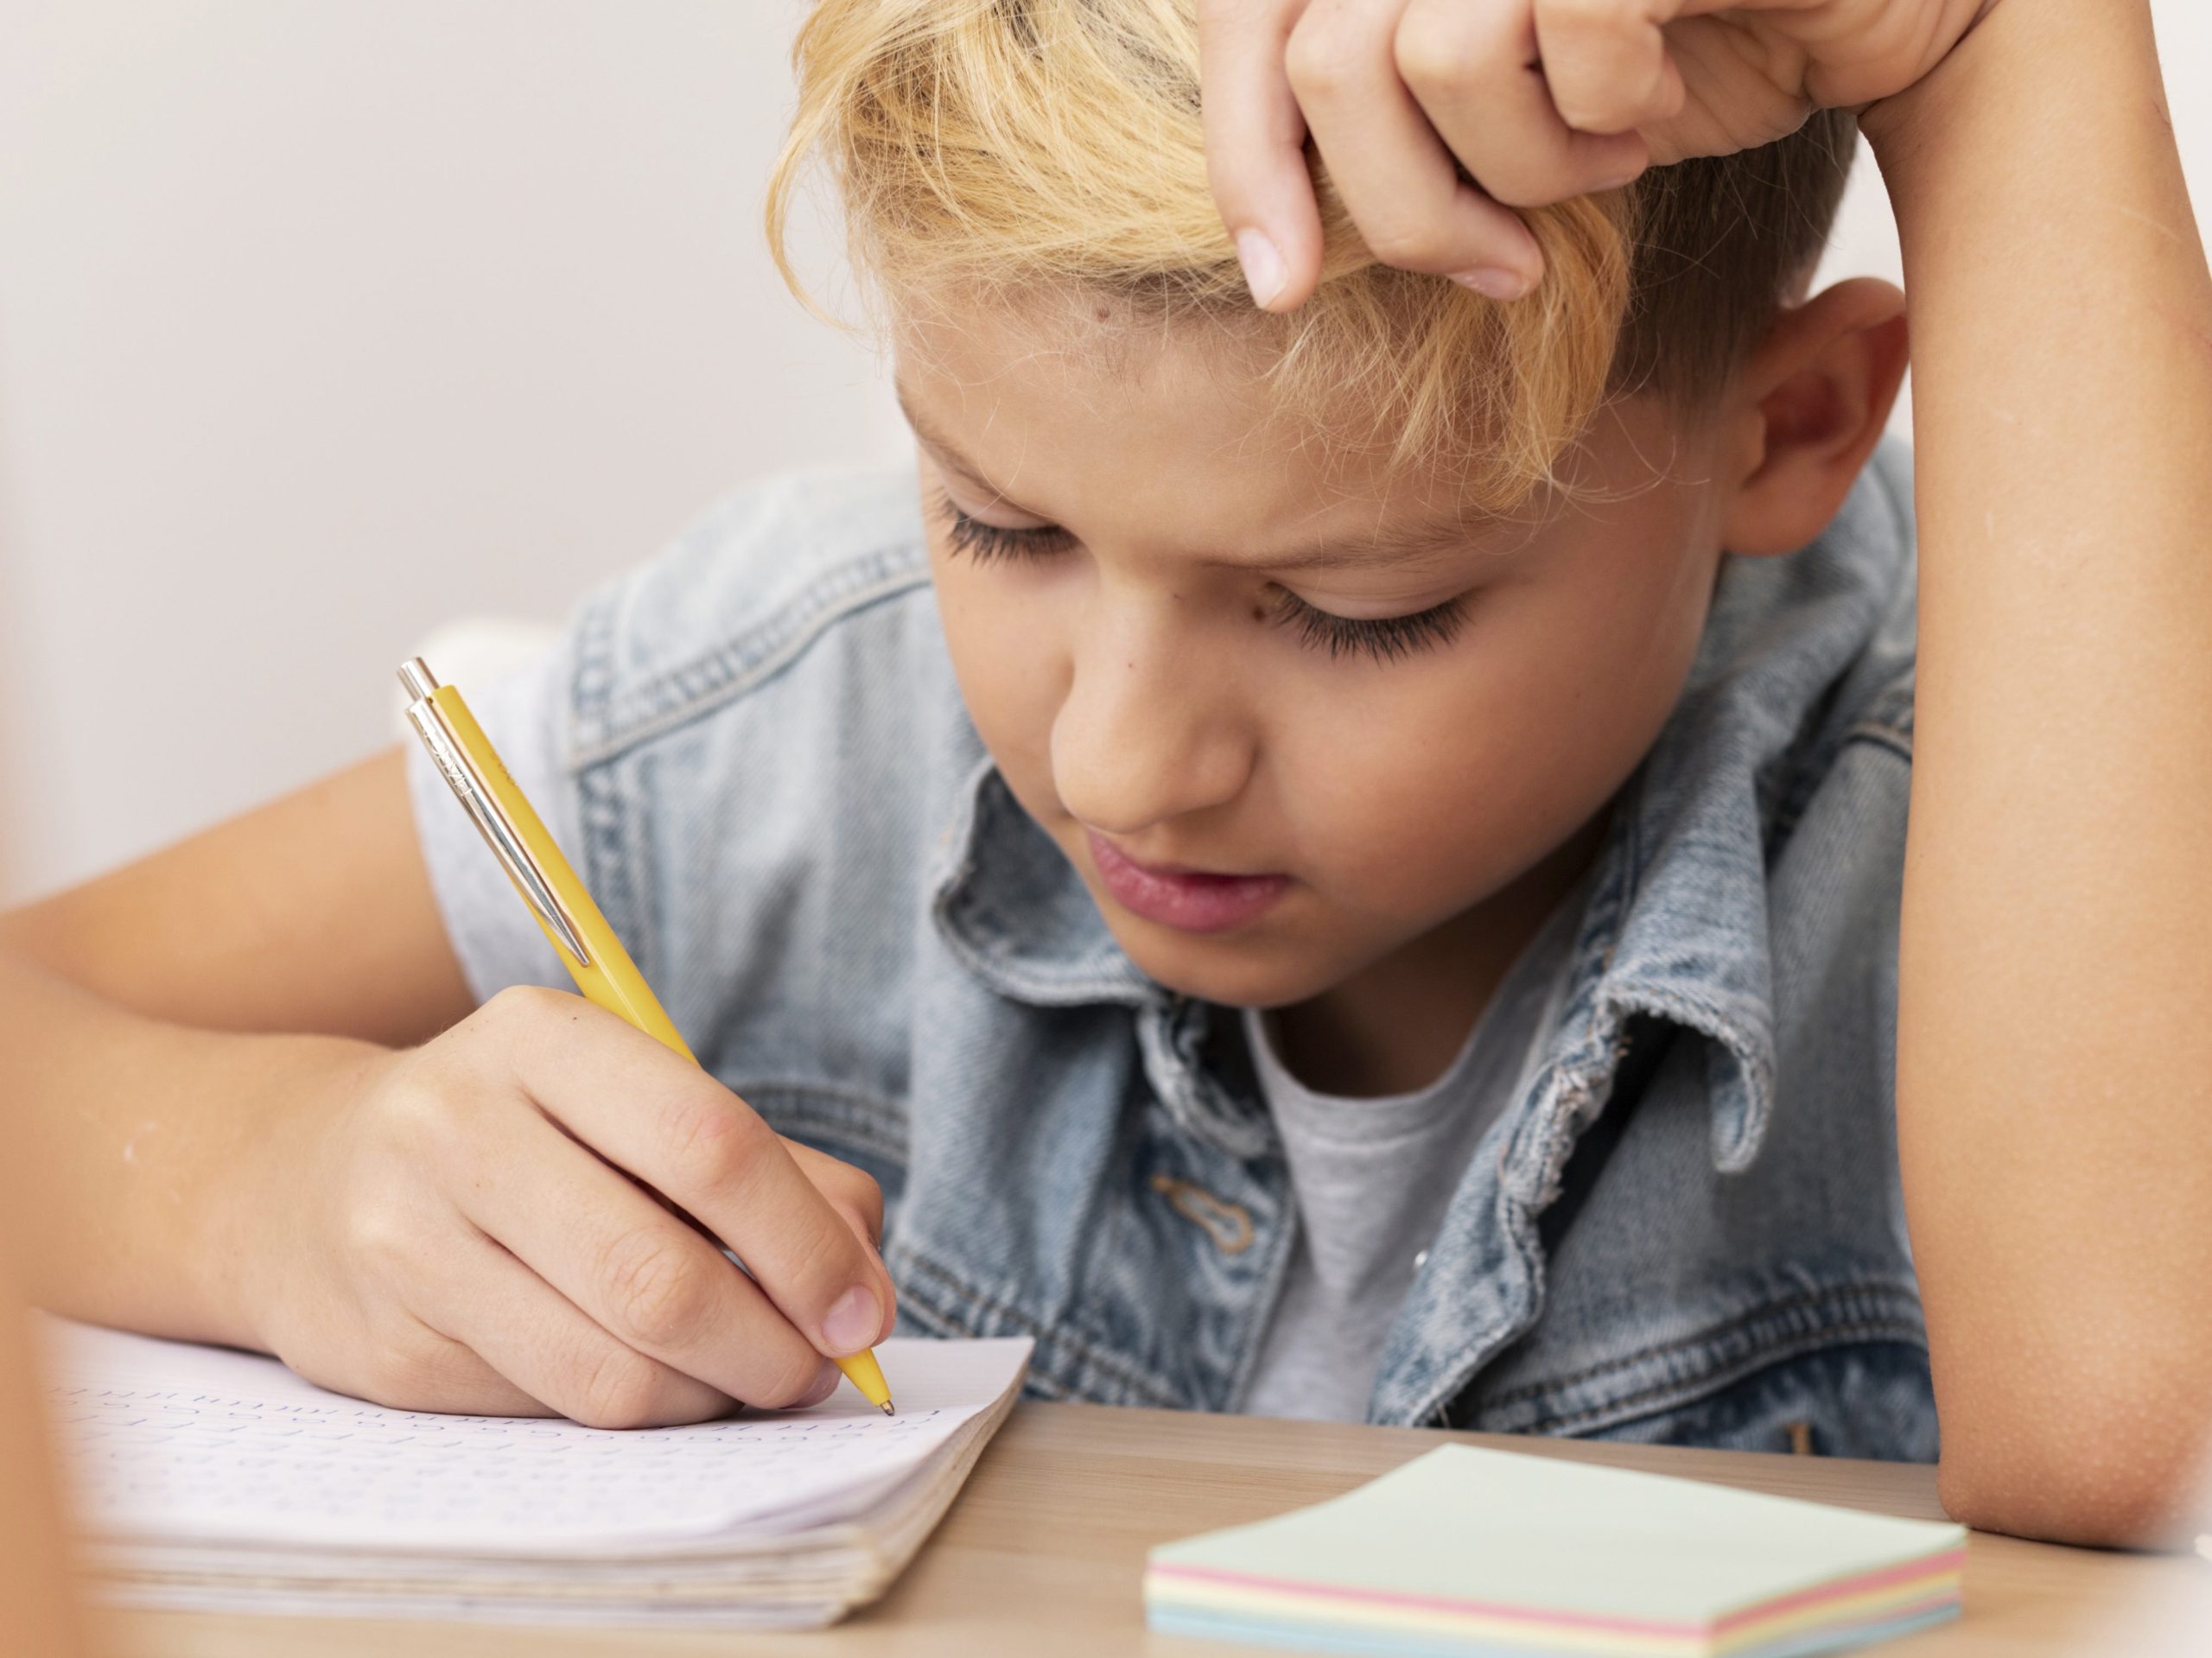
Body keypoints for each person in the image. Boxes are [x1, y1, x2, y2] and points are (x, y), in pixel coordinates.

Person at [3, 0, 2207, 1552]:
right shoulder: (800, 710)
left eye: (1357, 612)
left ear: (1789, 427)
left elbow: (2124, 1426)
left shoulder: (2024, 781)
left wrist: (2007, 42)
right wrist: (272, 1180)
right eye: (998, 523)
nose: (1116, 755)